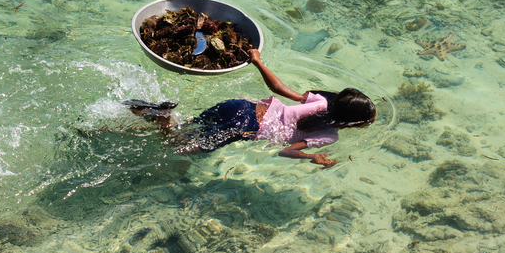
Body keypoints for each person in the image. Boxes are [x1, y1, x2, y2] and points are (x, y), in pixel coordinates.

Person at [123, 49, 376, 168]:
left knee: (189, 128)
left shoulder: (320, 101)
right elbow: (286, 152)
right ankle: (162, 118)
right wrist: (313, 158)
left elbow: (278, 88)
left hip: (240, 106)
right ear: (353, 122)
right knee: (178, 146)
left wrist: (257, 61)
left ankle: (148, 115)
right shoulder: (330, 135)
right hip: (246, 126)